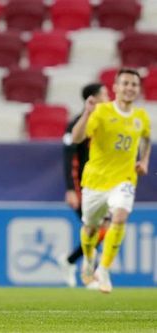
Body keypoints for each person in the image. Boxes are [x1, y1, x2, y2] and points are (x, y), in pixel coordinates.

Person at [71, 68, 151, 293]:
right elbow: (76, 138)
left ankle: (103, 270)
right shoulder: (101, 111)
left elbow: (146, 139)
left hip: (124, 178)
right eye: (125, 83)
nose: (129, 88)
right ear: (115, 88)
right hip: (96, 180)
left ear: (138, 89)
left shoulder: (141, 117)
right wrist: (86, 113)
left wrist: (143, 160)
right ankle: (88, 260)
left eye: (134, 84)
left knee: (120, 216)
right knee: (90, 228)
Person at [57, 83, 110, 288]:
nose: (109, 96)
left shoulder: (103, 123)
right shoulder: (76, 125)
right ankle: (89, 276)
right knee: (95, 227)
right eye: (105, 93)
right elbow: (68, 157)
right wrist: (71, 189)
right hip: (82, 185)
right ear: (93, 99)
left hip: (100, 184)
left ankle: (71, 262)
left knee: (101, 228)